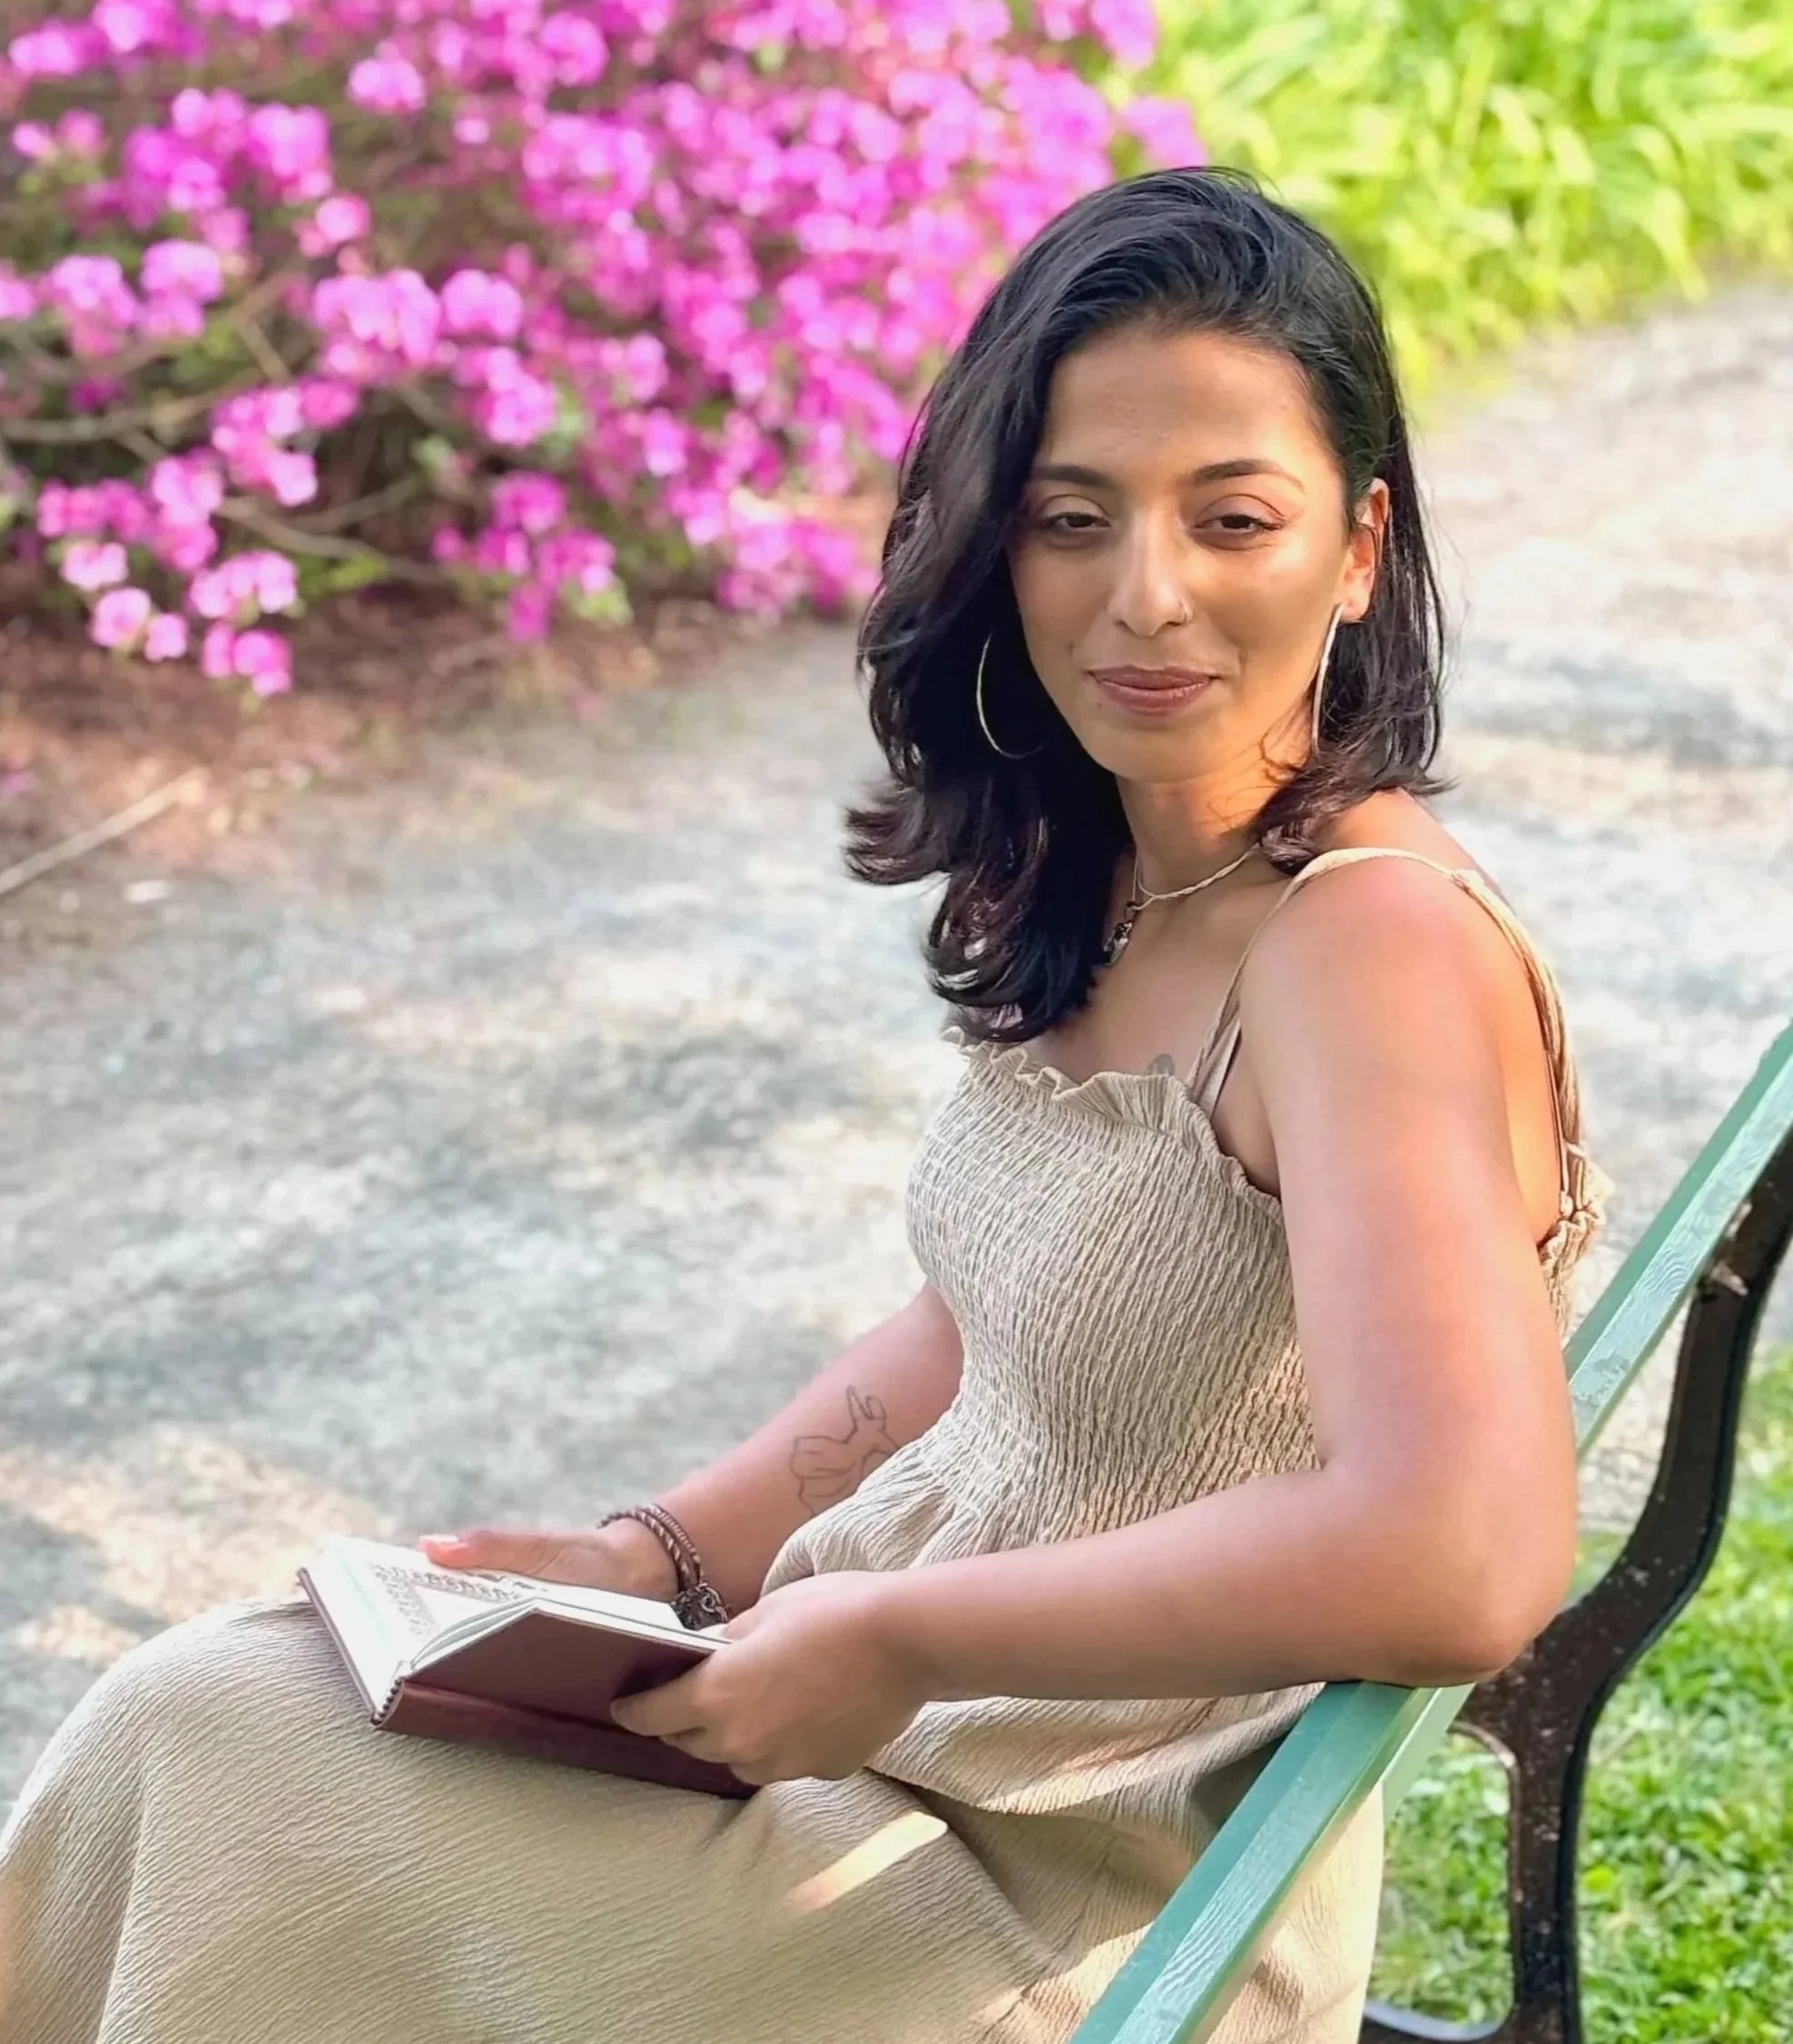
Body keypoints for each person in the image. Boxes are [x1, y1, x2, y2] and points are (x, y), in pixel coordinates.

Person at [0, 165, 1607, 2044]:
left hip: (1065, 1903)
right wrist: (658, 1558)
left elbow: (1462, 1549)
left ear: (1355, 544)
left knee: (252, 1808)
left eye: (1229, 516)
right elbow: (1001, 1317)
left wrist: (902, 1632)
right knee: (206, 1715)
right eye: (1071, 518)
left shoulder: (1364, 955)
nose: (1146, 595)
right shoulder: (1134, 867)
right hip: (898, 1766)